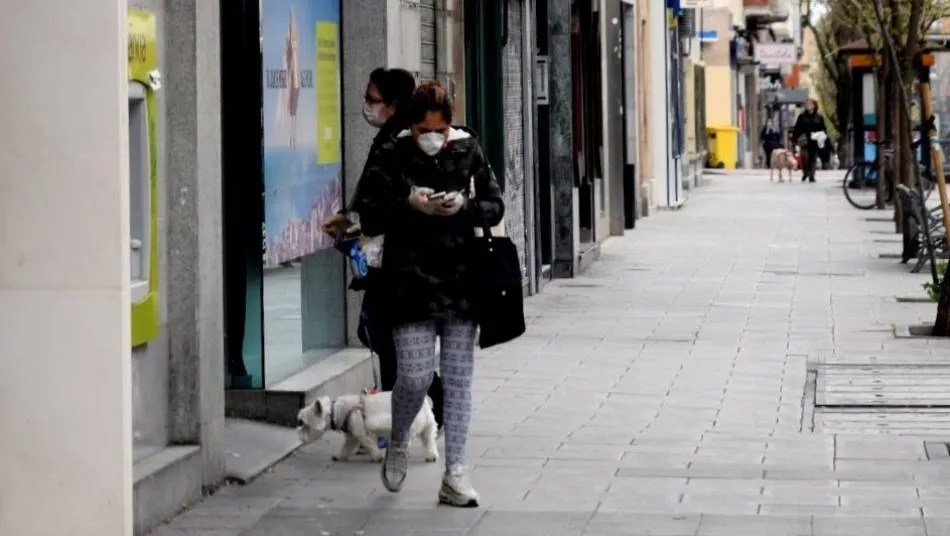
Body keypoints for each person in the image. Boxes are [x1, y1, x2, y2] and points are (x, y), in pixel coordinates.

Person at [352, 80, 504, 507]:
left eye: (440, 130)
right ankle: (400, 437)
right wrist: (410, 202)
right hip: (409, 282)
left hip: (461, 282)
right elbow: (367, 211)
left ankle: (456, 474)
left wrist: (465, 205)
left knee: (458, 380)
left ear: (450, 123)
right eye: (424, 131)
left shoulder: (468, 149)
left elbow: (495, 203)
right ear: (411, 126)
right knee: (415, 376)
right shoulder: (392, 152)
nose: (433, 138)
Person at [325, 67, 446, 431]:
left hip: (398, 260)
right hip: (387, 257)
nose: (366, 105)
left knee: (385, 334)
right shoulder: (389, 138)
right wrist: (350, 218)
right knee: (383, 334)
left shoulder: (402, 144)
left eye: (372, 99)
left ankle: (419, 408)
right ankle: (415, 409)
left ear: (392, 106)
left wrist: (362, 222)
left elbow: (397, 203)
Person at [792, 99, 828, 182]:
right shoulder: (802, 116)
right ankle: (805, 173)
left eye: (810, 104)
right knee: (805, 158)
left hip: (814, 140)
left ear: (814, 106)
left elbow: (823, 128)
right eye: (807, 104)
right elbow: (797, 128)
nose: (808, 105)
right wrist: (794, 139)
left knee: (813, 158)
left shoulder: (819, 117)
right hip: (804, 140)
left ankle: (812, 175)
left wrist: (822, 136)